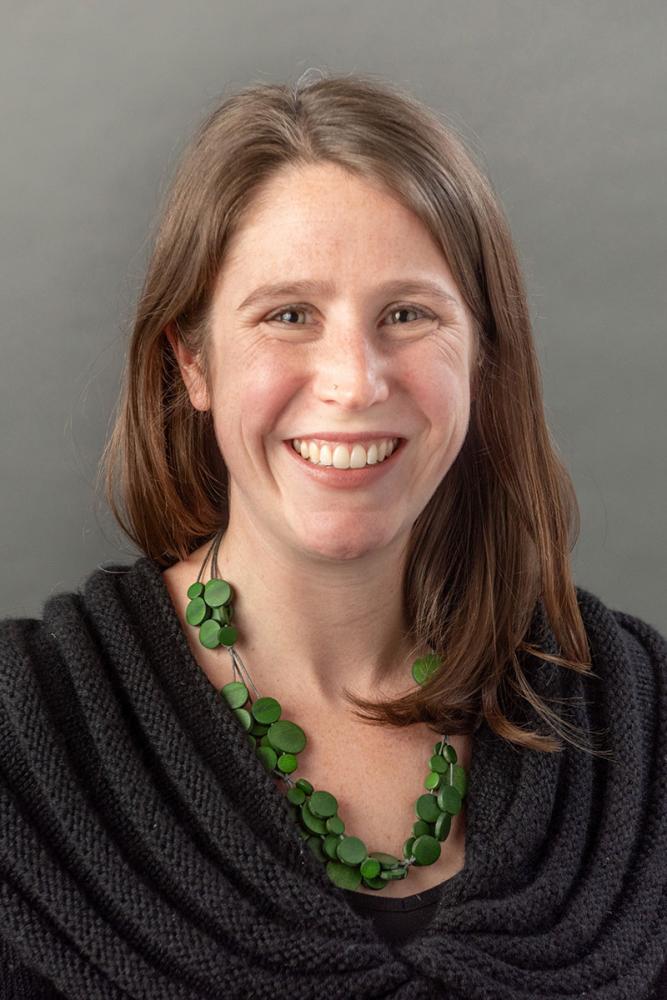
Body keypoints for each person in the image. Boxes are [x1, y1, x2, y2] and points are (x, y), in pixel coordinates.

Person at [0, 71, 665, 1000]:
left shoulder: (636, 721)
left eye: (407, 314)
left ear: (482, 353)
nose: (353, 382)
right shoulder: (23, 734)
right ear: (192, 362)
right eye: (288, 315)